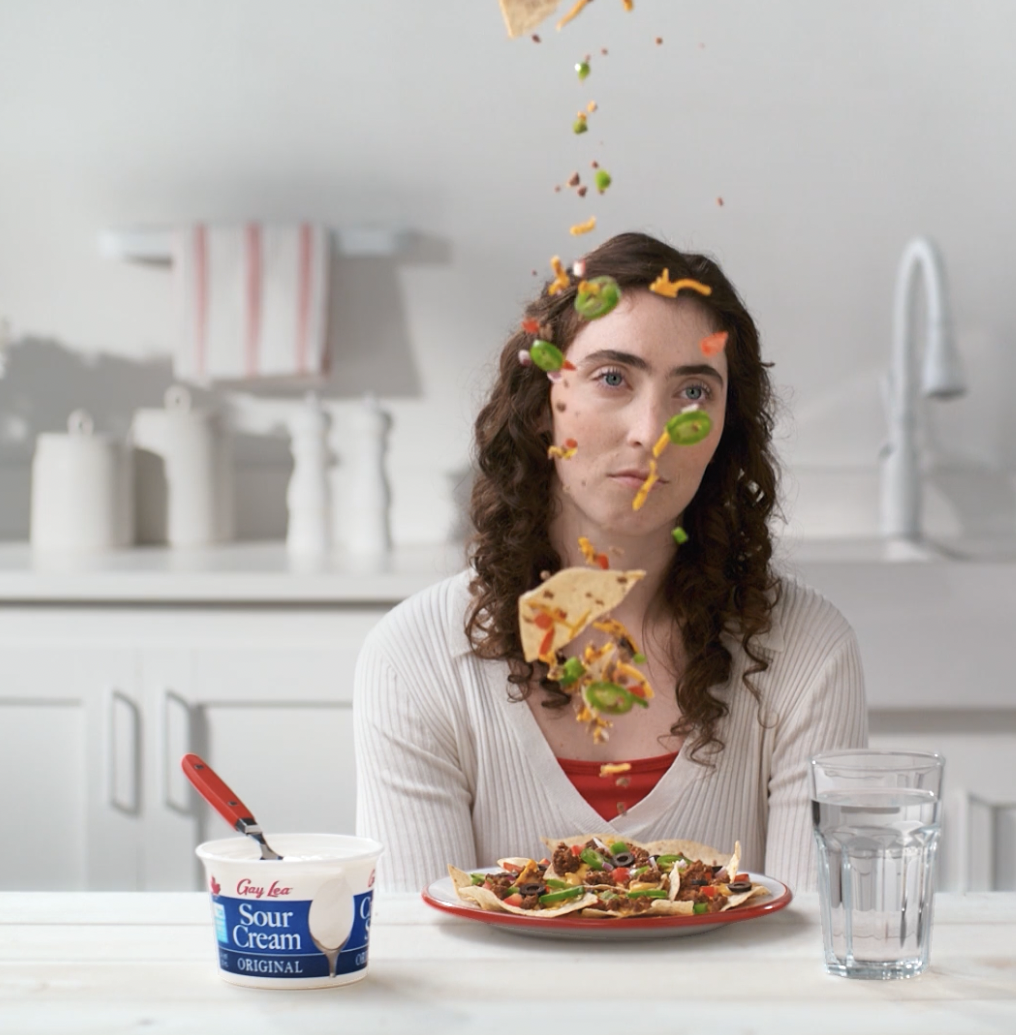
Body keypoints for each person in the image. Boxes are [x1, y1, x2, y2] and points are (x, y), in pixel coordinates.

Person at [354, 232, 867, 893]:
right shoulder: (415, 658)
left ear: (722, 433)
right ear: (543, 404)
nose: (650, 433)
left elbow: (808, 953)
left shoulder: (807, 653)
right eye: (612, 378)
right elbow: (427, 953)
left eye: (692, 392)